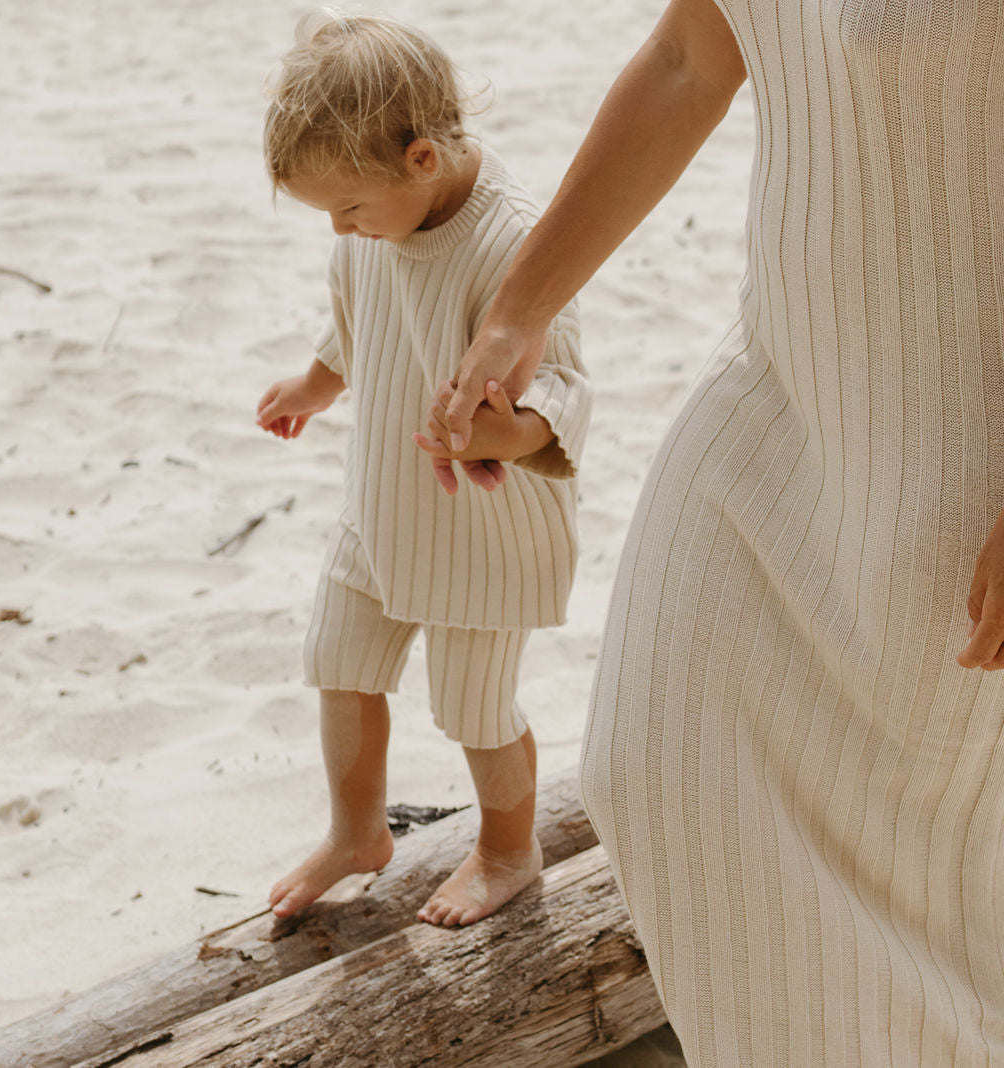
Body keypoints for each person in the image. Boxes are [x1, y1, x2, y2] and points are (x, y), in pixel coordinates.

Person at [427, 0, 1004, 1062]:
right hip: (775, 392)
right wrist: (520, 309)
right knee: (651, 768)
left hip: (965, 460)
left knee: (927, 886)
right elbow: (692, 56)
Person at [256, 10, 590, 928]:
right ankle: (357, 830)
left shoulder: (513, 241)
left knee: (474, 705)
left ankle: (509, 849)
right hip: (382, 503)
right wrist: (317, 382)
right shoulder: (370, 230)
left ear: (421, 161)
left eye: (348, 208)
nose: (341, 229)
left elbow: (565, 389)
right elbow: (355, 318)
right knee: (340, 657)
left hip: (485, 532)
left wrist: (507, 435)